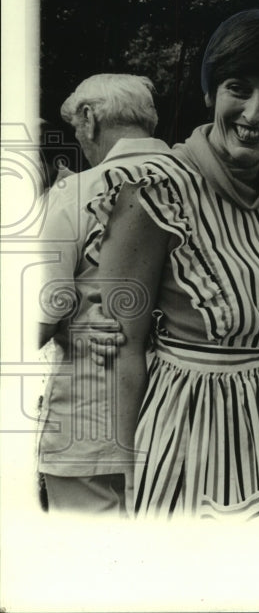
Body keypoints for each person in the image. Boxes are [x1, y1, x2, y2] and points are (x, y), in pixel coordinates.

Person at [86, 10, 259, 520]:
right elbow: (120, 349)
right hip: (192, 421)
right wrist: (127, 476)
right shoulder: (155, 191)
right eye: (239, 88)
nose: (254, 113)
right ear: (210, 92)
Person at [37, 74, 169, 515]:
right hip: (183, 421)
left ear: (89, 119)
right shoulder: (201, 183)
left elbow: (40, 315)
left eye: (77, 128)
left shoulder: (76, 193)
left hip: (91, 424)